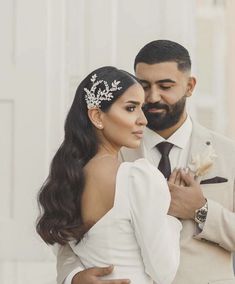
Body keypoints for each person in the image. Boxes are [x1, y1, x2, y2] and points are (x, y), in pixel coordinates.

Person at [57, 40, 235, 284]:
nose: (153, 97)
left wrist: (201, 211)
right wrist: (74, 278)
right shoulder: (107, 155)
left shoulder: (229, 153)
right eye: (144, 86)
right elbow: (70, 233)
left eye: (165, 86)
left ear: (190, 86)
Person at [36, 66, 183, 284]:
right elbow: (164, 271)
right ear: (97, 116)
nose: (143, 119)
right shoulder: (137, 179)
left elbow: (65, 248)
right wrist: (172, 218)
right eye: (131, 108)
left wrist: (73, 278)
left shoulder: (68, 179)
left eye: (142, 108)